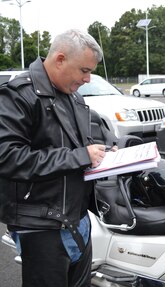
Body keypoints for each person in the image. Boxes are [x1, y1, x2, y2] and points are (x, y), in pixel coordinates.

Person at [0, 29, 109, 287]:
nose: (88, 78)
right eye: (84, 70)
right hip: (41, 224)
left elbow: (79, 147)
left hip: (79, 219)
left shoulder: (75, 97)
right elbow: (7, 156)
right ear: (60, 59)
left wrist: (104, 154)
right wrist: (81, 156)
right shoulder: (17, 95)